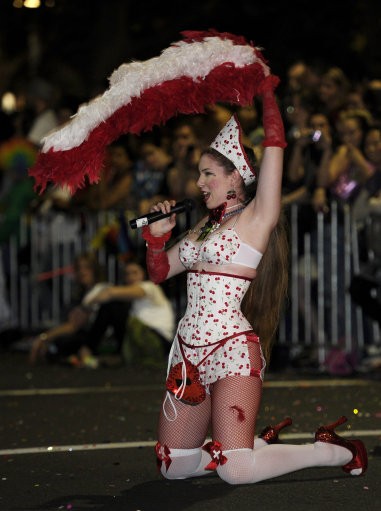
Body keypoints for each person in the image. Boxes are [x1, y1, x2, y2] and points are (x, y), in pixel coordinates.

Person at [141, 70, 368, 484]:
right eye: (199, 174)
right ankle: (246, 443)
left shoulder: (256, 219)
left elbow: (276, 145)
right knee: (173, 468)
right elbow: (159, 272)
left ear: (236, 178)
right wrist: (156, 239)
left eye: (209, 173)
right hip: (188, 353)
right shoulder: (199, 229)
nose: (199, 182)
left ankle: (330, 451)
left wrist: (265, 90)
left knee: (237, 473)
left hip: (232, 352)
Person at [86, 259, 175, 368]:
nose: (131, 277)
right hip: (148, 341)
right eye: (127, 274)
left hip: (156, 342)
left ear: (144, 274)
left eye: (135, 273)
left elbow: (109, 293)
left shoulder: (149, 286)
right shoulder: (134, 301)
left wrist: (85, 305)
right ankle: (112, 355)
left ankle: (87, 350)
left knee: (111, 307)